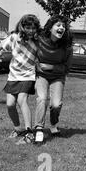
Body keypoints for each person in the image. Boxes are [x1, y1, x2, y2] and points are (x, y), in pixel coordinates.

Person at [0, 14, 41, 145]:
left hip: (28, 75)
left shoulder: (37, 41)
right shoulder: (13, 38)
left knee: (22, 100)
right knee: (10, 104)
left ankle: (29, 134)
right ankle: (18, 129)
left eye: (33, 28)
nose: (31, 30)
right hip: (13, 76)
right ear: (22, 27)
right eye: (28, 27)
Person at [33, 15, 73, 144]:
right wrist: (38, 65)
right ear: (50, 28)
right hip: (41, 75)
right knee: (42, 99)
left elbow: (67, 68)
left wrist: (50, 67)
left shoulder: (67, 46)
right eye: (58, 25)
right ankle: (39, 128)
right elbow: (32, 57)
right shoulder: (39, 40)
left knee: (56, 104)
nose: (62, 27)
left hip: (58, 76)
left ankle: (53, 124)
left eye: (63, 26)